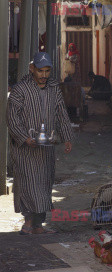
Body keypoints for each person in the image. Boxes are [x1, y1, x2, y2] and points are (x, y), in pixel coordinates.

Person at [7, 52, 74, 235]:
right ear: (32, 69)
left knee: (44, 183)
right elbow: (12, 118)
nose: (44, 75)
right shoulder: (20, 89)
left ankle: (38, 225)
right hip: (25, 149)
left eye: (47, 71)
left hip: (46, 148)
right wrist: (24, 137)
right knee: (28, 183)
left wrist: (67, 137)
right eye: (40, 71)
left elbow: (61, 112)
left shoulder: (53, 87)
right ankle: (28, 222)